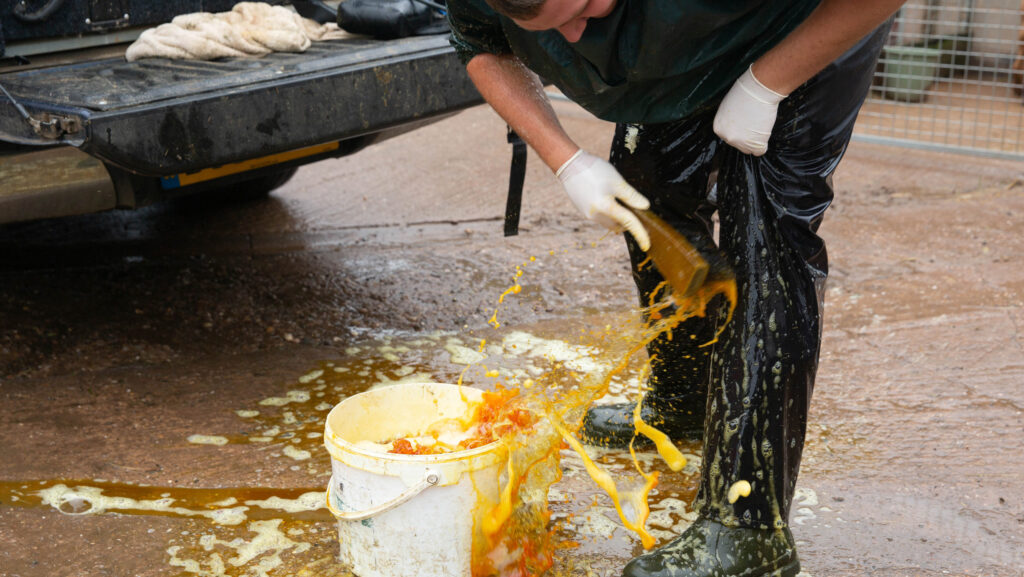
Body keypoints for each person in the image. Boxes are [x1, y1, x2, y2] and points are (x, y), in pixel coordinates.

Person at [446, 1, 905, 575]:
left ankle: (746, 528)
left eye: (585, 7)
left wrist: (766, 84)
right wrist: (566, 161)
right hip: (690, 40)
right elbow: (480, 43)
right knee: (647, 176)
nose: (573, 36)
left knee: (763, 222)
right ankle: (684, 401)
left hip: (800, 22)